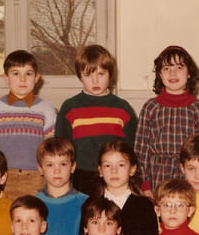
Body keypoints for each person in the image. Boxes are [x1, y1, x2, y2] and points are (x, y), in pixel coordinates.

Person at [55, 45, 138, 197]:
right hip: (80, 178)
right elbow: (61, 150)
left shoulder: (122, 108)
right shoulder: (69, 107)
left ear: (110, 74)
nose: (95, 80)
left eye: (101, 74)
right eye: (88, 75)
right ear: (80, 76)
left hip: (114, 177)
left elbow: (132, 149)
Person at [134, 45, 199, 194]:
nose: (172, 73)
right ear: (160, 74)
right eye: (166, 68)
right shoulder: (151, 107)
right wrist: (144, 184)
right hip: (157, 176)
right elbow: (140, 150)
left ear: (189, 73)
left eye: (179, 67)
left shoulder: (198, 109)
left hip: (189, 177)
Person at [0, 50, 55, 200]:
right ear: (6, 78)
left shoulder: (47, 109)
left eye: (28, 74)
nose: (22, 79)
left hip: (36, 178)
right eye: (16, 73)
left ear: (37, 78)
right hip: (3, 178)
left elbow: (51, 149)